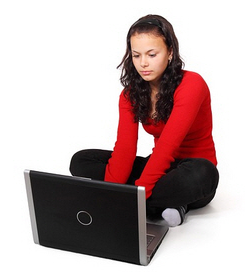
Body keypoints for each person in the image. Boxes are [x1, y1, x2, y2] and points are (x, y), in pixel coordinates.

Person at [70, 14, 219, 227]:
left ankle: (152, 200)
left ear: (170, 53)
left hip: (191, 171)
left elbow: (168, 146)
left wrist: (133, 195)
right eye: (136, 55)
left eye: (151, 54)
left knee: (203, 174)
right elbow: (125, 148)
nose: (143, 63)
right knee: (81, 161)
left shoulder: (192, 84)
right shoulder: (130, 94)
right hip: (160, 169)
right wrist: (112, 192)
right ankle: (168, 203)